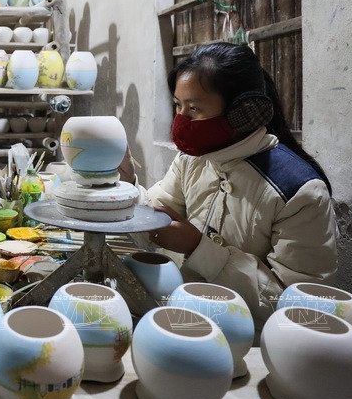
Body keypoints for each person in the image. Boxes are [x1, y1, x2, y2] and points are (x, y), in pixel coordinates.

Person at [119, 42, 337, 327]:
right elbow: (156, 217)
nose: (181, 120)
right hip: (184, 319)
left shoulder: (299, 192)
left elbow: (301, 309)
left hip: (252, 343)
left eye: (194, 108)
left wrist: (199, 248)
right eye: (178, 105)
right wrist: (125, 187)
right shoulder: (192, 160)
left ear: (245, 112)